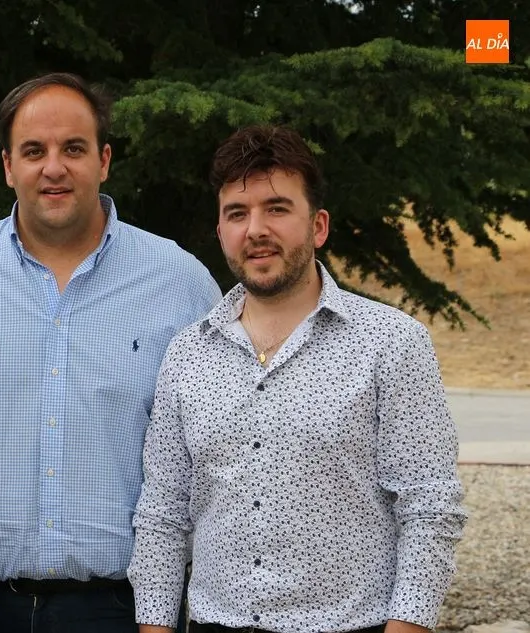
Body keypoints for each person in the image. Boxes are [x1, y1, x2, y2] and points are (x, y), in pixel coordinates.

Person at [0, 72, 221, 633]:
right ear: (8, 167)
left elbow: (219, 453)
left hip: (123, 612)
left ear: (104, 160)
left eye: (73, 149)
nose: (54, 168)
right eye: (34, 151)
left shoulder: (179, 284)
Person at [128, 125, 467, 633]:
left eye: (277, 209)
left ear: (318, 226)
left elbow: (431, 507)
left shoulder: (391, 343)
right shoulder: (188, 354)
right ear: (220, 231)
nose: (255, 229)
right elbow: (163, 515)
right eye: (237, 214)